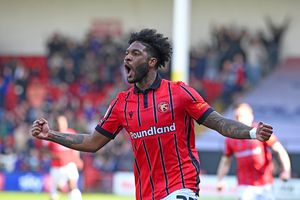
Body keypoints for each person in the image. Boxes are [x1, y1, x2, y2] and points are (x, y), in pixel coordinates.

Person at [31, 29, 273, 200]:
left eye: (135, 53)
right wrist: (50, 134)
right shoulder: (121, 103)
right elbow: (93, 142)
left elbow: (219, 122)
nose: (127, 56)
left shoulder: (179, 93)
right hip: (146, 193)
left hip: (182, 187)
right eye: (126, 53)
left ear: (152, 62)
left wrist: (252, 132)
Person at [216, 103, 291, 200]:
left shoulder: (261, 132)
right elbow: (225, 161)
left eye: (242, 116)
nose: (239, 119)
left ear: (251, 116)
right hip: (245, 186)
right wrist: (220, 180)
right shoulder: (231, 138)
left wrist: (286, 171)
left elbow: (280, 150)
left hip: (266, 185)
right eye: (237, 116)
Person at [44, 115, 83, 200]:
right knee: (57, 189)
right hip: (57, 168)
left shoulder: (71, 133)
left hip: (70, 165)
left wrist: (77, 159)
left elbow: (76, 148)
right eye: (59, 123)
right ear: (56, 124)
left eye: (63, 122)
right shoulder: (52, 135)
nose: (61, 124)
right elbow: (46, 152)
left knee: (73, 186)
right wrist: (56, 156)